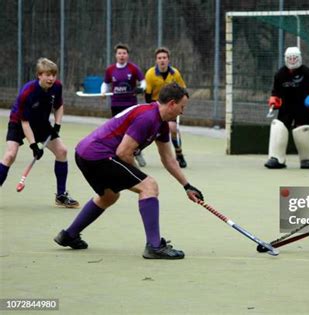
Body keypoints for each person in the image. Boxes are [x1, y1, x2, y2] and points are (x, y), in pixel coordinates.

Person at [54, 83, 203, 260]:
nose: (182, 112)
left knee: (109, 196)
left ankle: (69, 235)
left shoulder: (161, 123)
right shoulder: (147, 117)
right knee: (149, 186)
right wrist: (142, 179)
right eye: (181, 107)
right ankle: (154, 246)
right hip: (98, 155)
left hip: (84, 154)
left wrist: (187, 186)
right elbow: (123, 152)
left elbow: (168, 159)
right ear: (171, 103)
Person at [0, 58, 79, 208]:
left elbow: (59, 106)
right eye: (47, 75)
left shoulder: (57, 87)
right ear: (39, 75)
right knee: (10, 155)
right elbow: (25, 122)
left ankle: (61, 196)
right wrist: (34, 145)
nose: (51, 78)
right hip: (19, 122)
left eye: (53, 75)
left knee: (62, 151)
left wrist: (57, 125)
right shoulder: (28, 92)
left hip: (42, 123)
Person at [265, 46, 309, 169]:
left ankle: (307, 159)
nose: (292, 60)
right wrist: (274, 99)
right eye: (289, 58)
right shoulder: (280, 74)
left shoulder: (307, 73)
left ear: (299, 58)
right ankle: (276, 158)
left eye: (294, 58)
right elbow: (276, 91)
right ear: (285, 58)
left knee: (303, 131)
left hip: (302, 107)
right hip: (285, 108)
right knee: (279, 129)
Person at [101, 43, 147, 167]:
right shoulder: (110, 70)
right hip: (116, 105)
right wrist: (103, 92)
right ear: (116, 55)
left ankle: (137, 151)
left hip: (131, 105)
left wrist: (141, 88)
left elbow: (143, 82)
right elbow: (105, 83)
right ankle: (119, 154)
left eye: (124, 53)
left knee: (133, 132)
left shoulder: (133, 69)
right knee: (118, 131)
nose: (122, 56)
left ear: (127, 55)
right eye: (119, 53)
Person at [145, 47, 187, 168]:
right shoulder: (150, 74)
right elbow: (148, 95)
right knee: (151, 131)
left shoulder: (175, 73)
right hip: (156, 106)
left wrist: (180, 105)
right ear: (156, 60)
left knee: (173, 129)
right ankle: (137, 150)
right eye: (159, 58)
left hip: (171, 105)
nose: (162, 60)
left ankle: (179, 153)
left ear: (168, 60)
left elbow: (182, 89)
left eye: (164, 58)